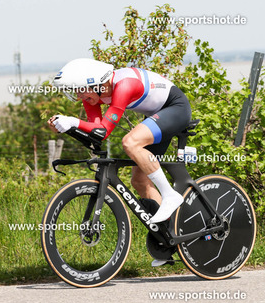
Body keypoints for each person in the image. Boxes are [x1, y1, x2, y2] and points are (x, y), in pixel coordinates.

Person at [47, 58, 192, 224]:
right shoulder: (93, 96)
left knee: (130, 142)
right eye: (75, 91)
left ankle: (169, 195)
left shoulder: (124, 85)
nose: (79, 97)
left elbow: (104, 129)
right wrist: (65, 128)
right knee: (139, 181)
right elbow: (97, 133)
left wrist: (73, 121)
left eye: (80, 90)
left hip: (176, 108)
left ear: (97, 83)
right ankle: (168, 230)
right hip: (157, 115)